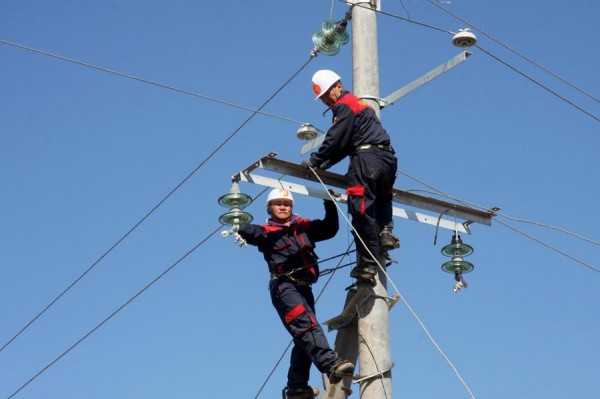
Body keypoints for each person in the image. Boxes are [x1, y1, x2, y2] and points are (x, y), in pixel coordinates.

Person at [236, 188, 354, 399]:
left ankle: (297, 388)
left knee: (304, 337)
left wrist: (329, 202)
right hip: (284, 287)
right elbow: (249, 231)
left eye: (287, 203)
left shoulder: (303, 228)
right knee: (306, 325)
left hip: (304, 288)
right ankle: (330, 364)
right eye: (278, 203)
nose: (283, 206)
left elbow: (329, 228)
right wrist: (237, 217)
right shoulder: (265, 232)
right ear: (270, 208)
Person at [305, 69, 399, 285]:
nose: (327, 100)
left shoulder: (344, 106)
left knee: (360, 209)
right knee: (382, 198)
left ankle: (368, 262)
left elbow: (335, 139)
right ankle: (385, 233)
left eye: (328, 94)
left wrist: (315, 160)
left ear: (338, 85)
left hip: (366, 161)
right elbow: (345, 144)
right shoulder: (359, 108)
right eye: (323, 98)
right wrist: (323, 164)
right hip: (386, 160)